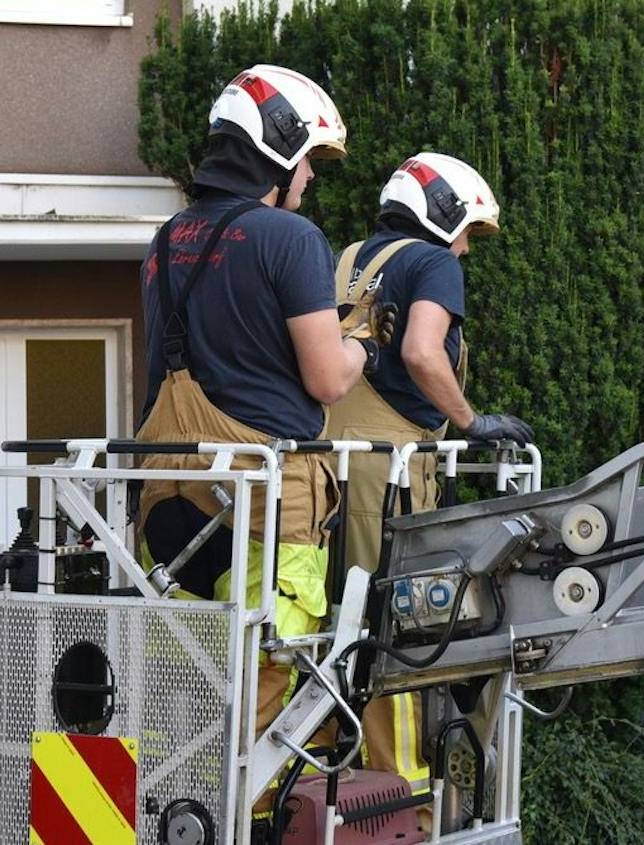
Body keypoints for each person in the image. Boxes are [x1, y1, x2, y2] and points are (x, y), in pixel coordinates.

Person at [134, 64, 382, 736]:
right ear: (276, 150)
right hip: (264, 494)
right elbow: (328, 380)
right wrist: (363, 341)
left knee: (183, 668)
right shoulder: (290, 238)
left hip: (165, 487)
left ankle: (171, 808)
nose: (310, 177)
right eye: (308, 162)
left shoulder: (163, 242)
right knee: (265, 668)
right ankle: (245, 814)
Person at [325, 151, 535, 795]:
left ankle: (331, 780)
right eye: (468, 228)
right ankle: (401, 796)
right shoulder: (433, 261)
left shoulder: (351, 258)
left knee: (335, 624)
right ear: (442, 214)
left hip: (324, 465)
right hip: (389, 471)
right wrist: (473, 423)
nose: (467, 248)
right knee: (398, 632)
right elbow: (420, 351)